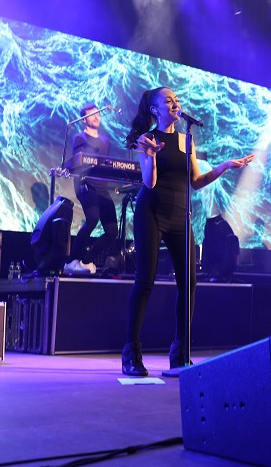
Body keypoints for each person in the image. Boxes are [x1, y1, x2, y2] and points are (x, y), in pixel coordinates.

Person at [122, 87, 253, 376]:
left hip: (180, 216)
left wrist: (225, 166)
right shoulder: (148, 139)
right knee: (145, 280)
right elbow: (150, 183)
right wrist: (153, 156)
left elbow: (196, 180)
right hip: (151, 212)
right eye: (168, 101)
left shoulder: (186, 140)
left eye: (176, 100)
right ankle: (131, 352)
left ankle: (181, 351)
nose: (176, 104)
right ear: (155, 110)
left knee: (189, 283)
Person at [64, 102, 118, 276]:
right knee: (92, 219)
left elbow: (105, 164)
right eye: (91, 115)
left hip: (101, 187)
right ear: (84, 120)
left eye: (98, 114)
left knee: (112, 231)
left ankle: (87, 260)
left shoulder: (105, 141)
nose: (96, 117)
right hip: (85, 184)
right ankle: (72, 261)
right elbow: (80, 161)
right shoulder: (79, 138)